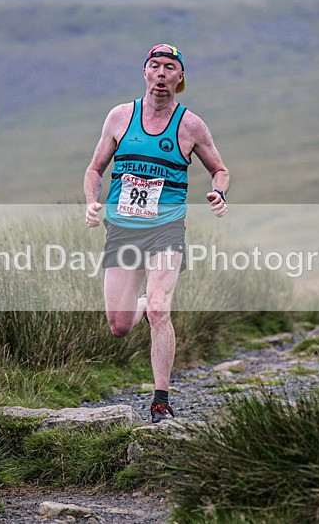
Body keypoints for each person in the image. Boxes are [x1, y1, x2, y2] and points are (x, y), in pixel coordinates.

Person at [83, 44, 229, 423]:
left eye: (170, 68)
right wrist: (91, 202)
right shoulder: (120, 117)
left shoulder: (190, 125)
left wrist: (219, 192)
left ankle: (160, 400)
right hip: (123, 231)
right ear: (145, 72)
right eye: (155, 66)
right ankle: (145, 304)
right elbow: (95, 169)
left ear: (180, 78)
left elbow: (220, 169)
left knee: (161, 310)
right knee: (119, 326)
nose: (161, 73)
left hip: (166, 230)